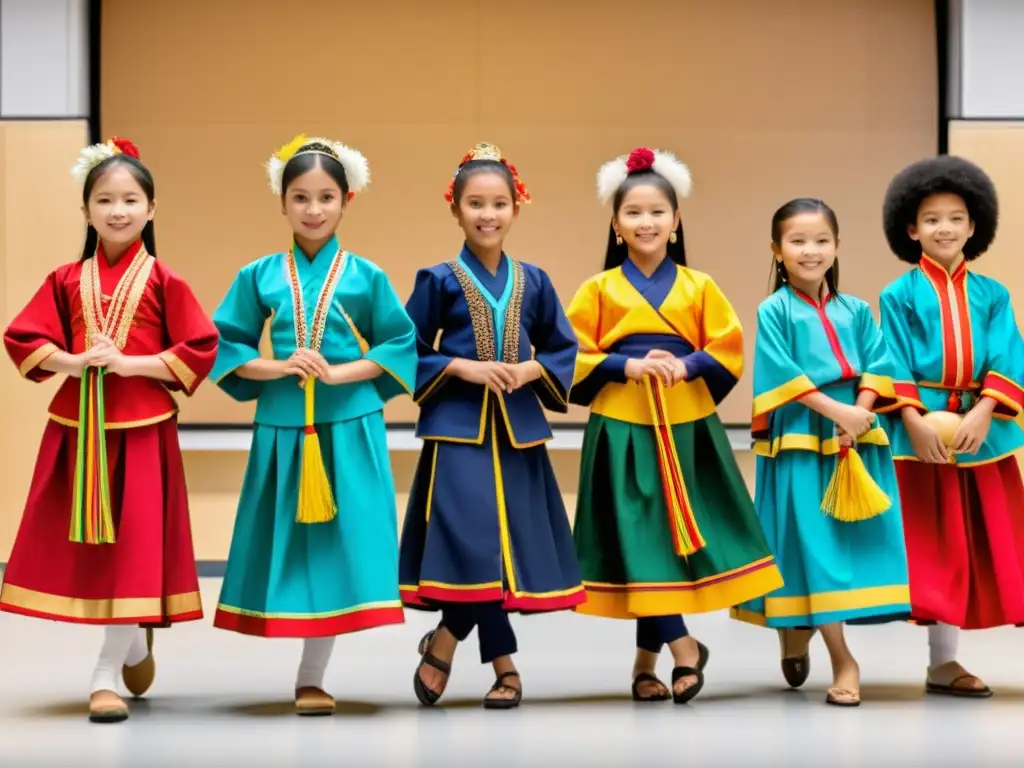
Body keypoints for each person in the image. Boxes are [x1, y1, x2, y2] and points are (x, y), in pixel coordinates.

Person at [1, 137, 218, 723]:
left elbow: (199, 349)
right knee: (96, 553)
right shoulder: (65, 278)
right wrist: (75, 363)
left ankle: (103, 676)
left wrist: (130, 365)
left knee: (137, 549)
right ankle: (135, 635)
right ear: (85, 210)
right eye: (104, 199)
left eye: (129, 199)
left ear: (151, 208)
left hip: (144, 432)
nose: (117, 210)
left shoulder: (164, 280)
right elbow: (25, 338)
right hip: (80, 432)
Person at [565, 147, 783, 704]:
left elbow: (728, 348)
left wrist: (687, 364)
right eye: (633, 213)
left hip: (685, 424)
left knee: (663, 547)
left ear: (676, 220)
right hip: (622, 425)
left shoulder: (699, 286)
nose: (646, 222)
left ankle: (644, 664)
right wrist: (625, 364)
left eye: (658, 212)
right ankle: (684, 648)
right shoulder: (598, 290)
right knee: (639, 541)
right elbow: (569, 357)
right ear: (615, 226)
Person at [209, 134, 418, 715]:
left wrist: (343, 373)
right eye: (300, 196)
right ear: (282, 202)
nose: (314, 209)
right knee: (293, 548)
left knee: (336, 550)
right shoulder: (258, 275)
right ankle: (306, 668)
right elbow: (223, 346)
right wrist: (278, 366)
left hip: (349, 431)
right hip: (283, 433)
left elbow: (401, 345)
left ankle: (312, 674)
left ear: (346, 200)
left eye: (326, 196)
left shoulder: (365, 275)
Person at [399, 143, 584, 710]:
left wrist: (531, 367)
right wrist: (460, 366)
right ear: (454, 208)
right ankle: (504, 664)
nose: (487, 214)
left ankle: (448, 638)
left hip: (519, 435)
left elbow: (562, 347)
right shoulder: (437, 279)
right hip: (458, 432)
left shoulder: (536, 280)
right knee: (475, 546)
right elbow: (405, 349)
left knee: (502, 555)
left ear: (516, 208)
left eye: (499, 203)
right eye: (475, 203)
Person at [730, 198, 912, 707]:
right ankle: (843, 658)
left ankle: (799, 626)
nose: (810, 251)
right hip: (803, 440)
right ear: (777, 250)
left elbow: (880, 363)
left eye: (821, 241)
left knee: (847, 543)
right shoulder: (774, 311)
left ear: (837, 246)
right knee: (814, 544)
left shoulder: (857, 309)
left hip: (858, 435)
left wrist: (861, 411)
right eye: (797, 242)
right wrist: (838, 414)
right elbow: (781, 377)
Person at [879, 155, 1024, 698]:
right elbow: (889, 359)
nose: (945, 228)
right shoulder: (897, 294)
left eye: (956, 217)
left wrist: (985, 411)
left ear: (974, 225)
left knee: (985, 543)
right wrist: (913, 421)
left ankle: (945, 664)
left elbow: (1009, 356)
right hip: (924, 437)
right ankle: (936, 660)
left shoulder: (994, 294)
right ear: (911, 228)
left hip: (981, 435)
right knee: (935, 546)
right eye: (932, 218)